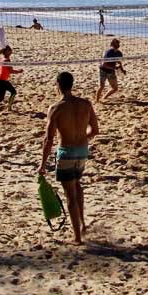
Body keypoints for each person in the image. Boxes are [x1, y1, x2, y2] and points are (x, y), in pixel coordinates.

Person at [38, 72, 99, 245]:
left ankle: (77, 238)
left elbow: (48, 140)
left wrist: (42, 164)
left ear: (58, 84)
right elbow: (95, 130)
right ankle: (83, 224)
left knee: (70, 195)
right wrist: (82, 138)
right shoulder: (85, 104)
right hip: (82, 151)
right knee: (77, 185)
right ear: (72, 84)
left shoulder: (56, 108)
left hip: (66, 152)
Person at [0, 45, 23, 111]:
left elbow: (9, 70)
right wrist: (19, 71)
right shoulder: (6, 60)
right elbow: (10, 71)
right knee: (12, 93)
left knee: (2, 97)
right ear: (6, 52)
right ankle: (8, 107)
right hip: (2, 81)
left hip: (1, 80)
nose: (11, 51)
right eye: (10, 50)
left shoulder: (4, 58)